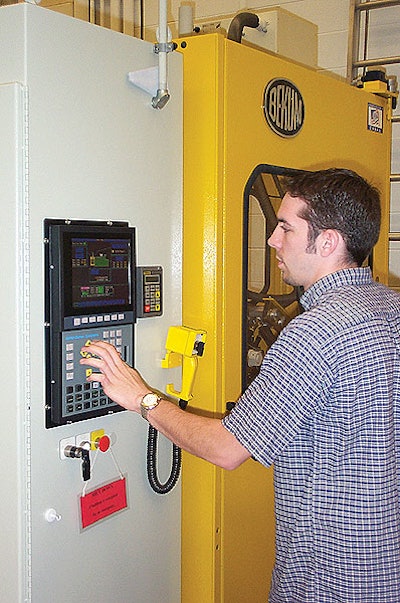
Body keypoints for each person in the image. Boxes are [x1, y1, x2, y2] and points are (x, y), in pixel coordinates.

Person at [80, 168, 400, 603]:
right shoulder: (392, 306)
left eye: (286, 227)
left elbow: (227, 449)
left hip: (332, 582)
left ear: (327, 242)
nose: (273, 240)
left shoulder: (317, 331)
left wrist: (142, 398)